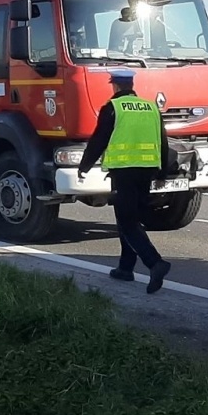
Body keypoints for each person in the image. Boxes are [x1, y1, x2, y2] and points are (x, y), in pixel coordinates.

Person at [77, 68, 172, 292]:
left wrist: (84, 166)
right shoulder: (151, 107)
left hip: (124, 172)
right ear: (131, 85)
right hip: (147, 170)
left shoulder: (113, 107)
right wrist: (162, 173)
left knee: (127, 222)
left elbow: (99, 140)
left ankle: (155, 263)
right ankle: (125, 268)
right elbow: (163, 141)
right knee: (130, 218)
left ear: (116, 86)